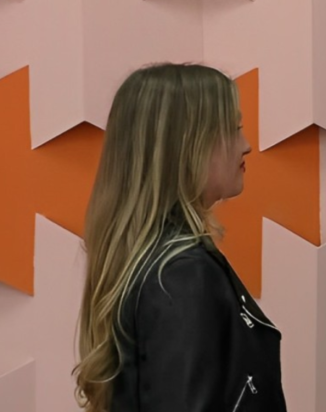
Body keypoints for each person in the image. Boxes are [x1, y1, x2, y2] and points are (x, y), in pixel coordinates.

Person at [73, 63, 287, 412]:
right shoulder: (181, 275)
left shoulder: (153, 262)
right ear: (186, 145)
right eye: (234, 129)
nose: (246, 145)